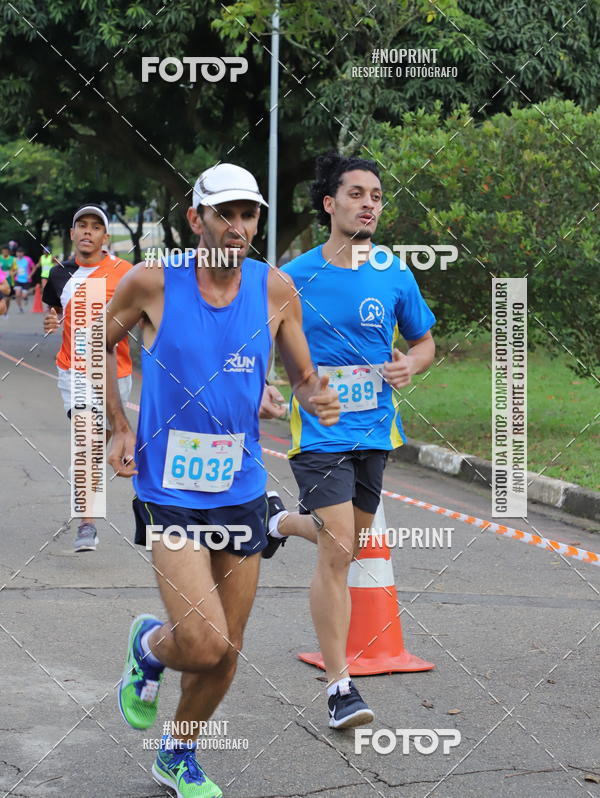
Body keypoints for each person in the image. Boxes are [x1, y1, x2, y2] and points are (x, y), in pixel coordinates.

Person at [105, 163, 340, 798]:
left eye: (249, 214)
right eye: (225, 214)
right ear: (196, 219)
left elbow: (302, 375)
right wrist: (118, 425)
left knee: (228, 649)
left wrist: (315, 397)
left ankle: (176, 756)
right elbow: (99, 341)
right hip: (170, 488)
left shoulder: (275, 289)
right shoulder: (153, 282)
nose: (239, 226)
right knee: (202, 643)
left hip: (239, 487)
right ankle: (152, 647)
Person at [262, 152, 437, 730]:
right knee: (339, 547)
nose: (369, 204)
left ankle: (278, 524)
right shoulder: (294, 276)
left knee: (347, 542)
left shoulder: (394, 272)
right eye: (357, 193)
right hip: (317, 430)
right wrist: (268, 386)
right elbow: (265, 342)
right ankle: (341, 686)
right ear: (329, 203)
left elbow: (424, 342)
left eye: (377, 196)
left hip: (376, 430)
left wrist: (412, 364)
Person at [42, 204, 134, 551]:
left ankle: (107, 449)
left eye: (96, 227)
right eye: (82, 225)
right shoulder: (59, 274)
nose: (88, 231)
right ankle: (87, 523)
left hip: (116, 373)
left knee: (100, 443)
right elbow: (54, 309)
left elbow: (147, 311)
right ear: (72, 233)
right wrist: (51, 321)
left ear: (105, 237)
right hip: (74, 370)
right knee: (89, 442)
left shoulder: (125, 272)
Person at [0, 246, 16, 316]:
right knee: (4, 299)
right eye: (4, 251)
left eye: (6, 251)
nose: (5, 252)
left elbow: (16, 269)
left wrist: (12, 273)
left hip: (9, 281)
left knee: (8, 298)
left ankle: (6, 311)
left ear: (8, 252)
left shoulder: (13, 259)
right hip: (1, 282)